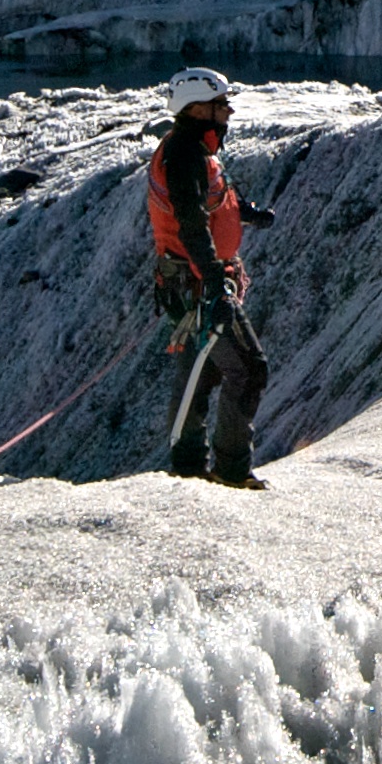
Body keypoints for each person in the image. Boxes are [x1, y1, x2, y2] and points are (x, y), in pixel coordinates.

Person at [146, 65, 275, 487]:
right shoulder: (185, 155)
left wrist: (246, 214)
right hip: (199, 284)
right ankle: (230, 471)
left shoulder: (192, 149)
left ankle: (188, 467)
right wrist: (216, 280)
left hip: (188, 283)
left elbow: (209, 204)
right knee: (248, 368)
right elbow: (190, 223)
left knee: (203, 370)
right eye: (221, 105)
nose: (228, 111)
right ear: (197, 107)